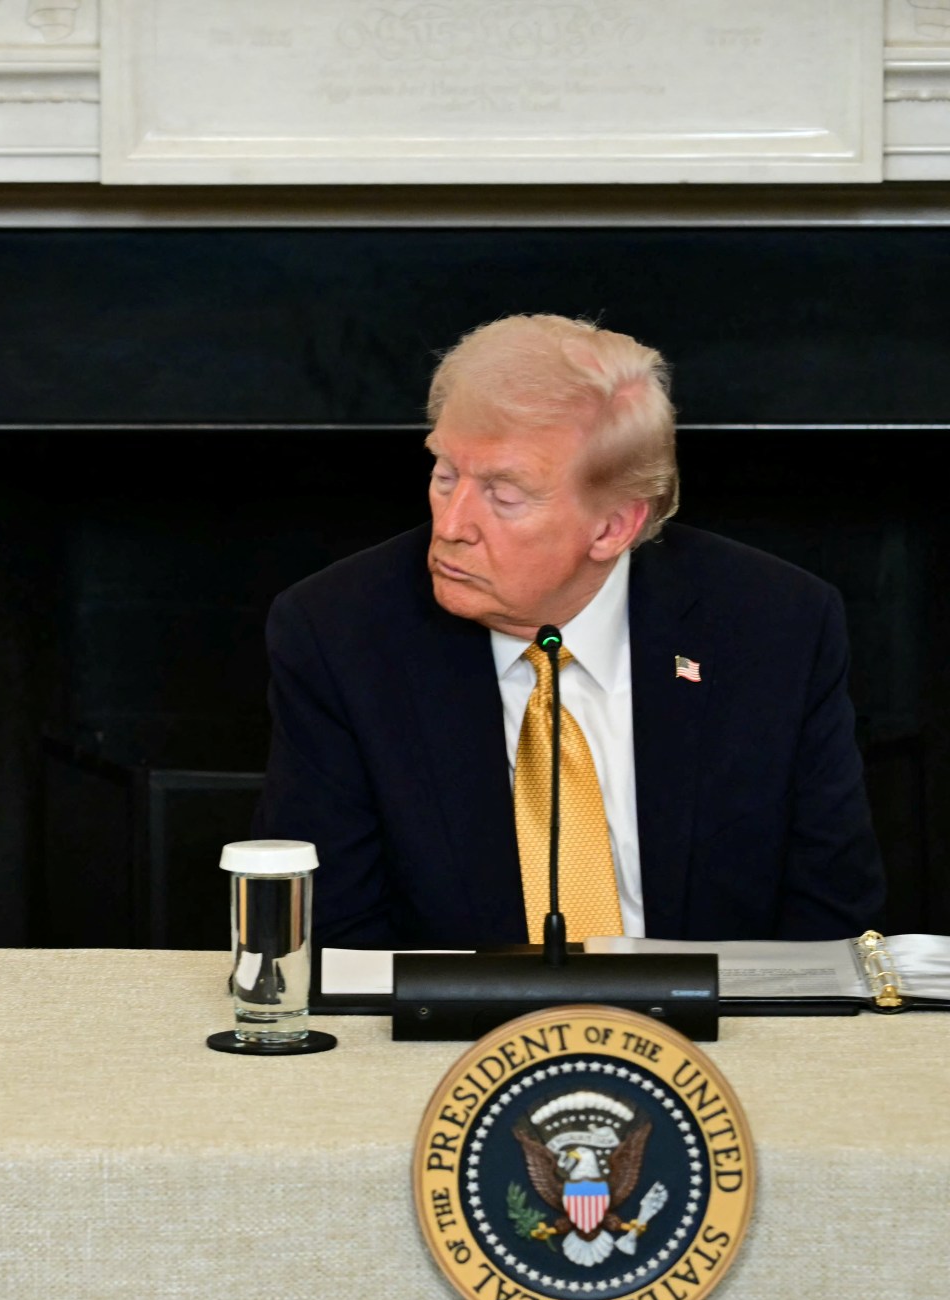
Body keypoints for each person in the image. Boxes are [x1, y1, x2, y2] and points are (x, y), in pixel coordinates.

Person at [255, 313, 883, 948]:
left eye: (504, 495)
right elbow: (331, 930)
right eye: (445, 475)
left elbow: (830, 916)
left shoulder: (775, 625)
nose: (452, 525)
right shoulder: (340, 632)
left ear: (612, 528)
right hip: (454, 1014)